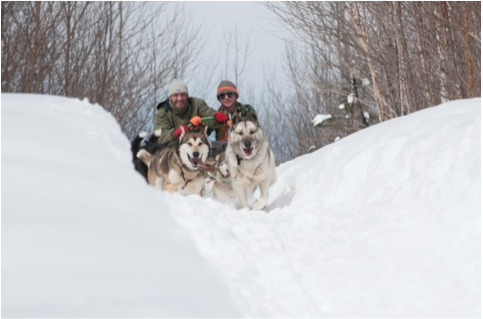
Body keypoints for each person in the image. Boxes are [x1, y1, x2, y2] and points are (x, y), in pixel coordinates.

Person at [154, 79, 228, 144]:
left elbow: (208, 114)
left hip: (198, 146)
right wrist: (175, 134)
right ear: (170, 97)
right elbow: (160, 138)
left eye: (182, 95)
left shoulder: (197, 104)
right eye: (176, 95)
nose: (179, 99)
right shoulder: (163, 113)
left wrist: (216, 118)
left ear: (187, 96)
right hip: (173, 151)